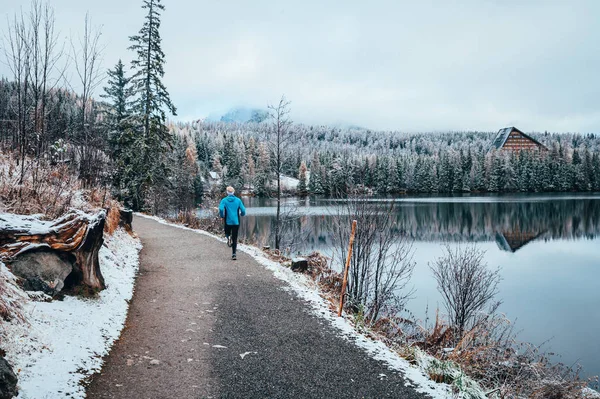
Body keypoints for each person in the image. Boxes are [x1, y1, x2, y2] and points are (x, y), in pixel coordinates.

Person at [219, 186, 246, 260]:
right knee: (235, 238)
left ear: (227, 192)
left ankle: (228, 238)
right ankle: (234, 254)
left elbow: (221, 209)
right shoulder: (238, 200)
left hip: (227, 221)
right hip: (236, 222)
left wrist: (222, 215)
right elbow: (243, 210)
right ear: (233, 192)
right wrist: (242, 214)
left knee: (227, 232)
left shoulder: (224, 200)